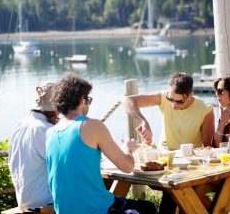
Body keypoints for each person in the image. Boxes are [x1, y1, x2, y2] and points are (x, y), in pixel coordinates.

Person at [46, 73, 156, 214]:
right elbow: (127, 167)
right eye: (88, 100)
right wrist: (128, 149)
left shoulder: (50, 133)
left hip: (64, 210)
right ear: (82, 99)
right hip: (96, 209)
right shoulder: (90, 125)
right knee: (147, 209)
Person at [122, 72, 215, 213]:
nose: (173, 105)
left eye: (179, 101)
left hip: (189, 167)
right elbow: (127, 101)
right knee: (172, 191)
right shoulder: (163, 98)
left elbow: (208, 146)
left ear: (191, 94)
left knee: (176, 192)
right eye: (171, 99)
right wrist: (143, 121)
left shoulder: (204, 109)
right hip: (163, 164)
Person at [8, 83, 59, 212]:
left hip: (24, 201)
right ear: (54, 111)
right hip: (44, 203)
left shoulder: (20, 125)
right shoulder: (46, 130)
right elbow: (65, 166)